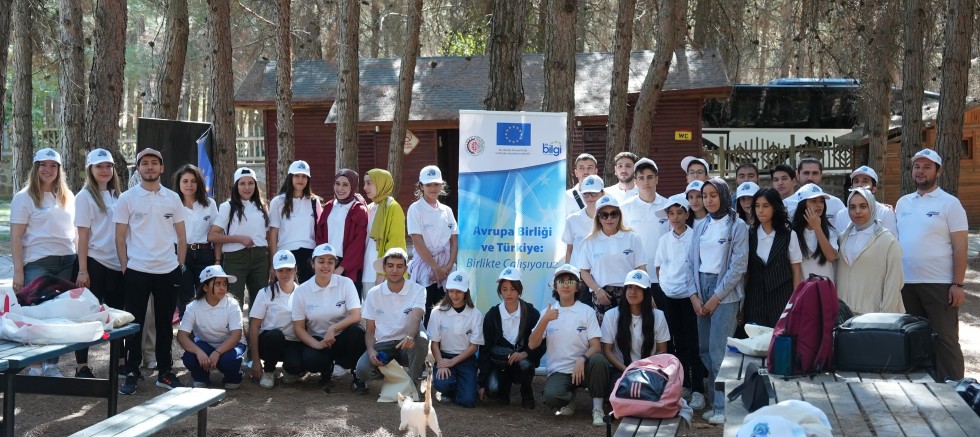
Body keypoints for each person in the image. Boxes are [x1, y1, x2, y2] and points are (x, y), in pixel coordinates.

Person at [114, 148, 187, 394]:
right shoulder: (127, 198)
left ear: (162, 168)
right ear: (138, 169)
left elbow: (181, 235)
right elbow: (120, 236)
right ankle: (132, 371)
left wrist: (180, 264)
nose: (149, 167)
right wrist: (125, 266)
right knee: (136, 323)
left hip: (167, 270)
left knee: (165, 324)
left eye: (154, 163)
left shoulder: (173, 198)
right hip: (137, 269)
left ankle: (165, 372)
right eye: (144, 163)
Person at [896, 149, 968, 381]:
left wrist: (957, 283)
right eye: (917, 166)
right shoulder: (903, 203)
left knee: (945, 338)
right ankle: (922, 384)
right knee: (914, 337)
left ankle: (954, 389)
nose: (920, 171)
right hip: (906, 283)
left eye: (927, 167)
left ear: (938, 171)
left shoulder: (950, 203)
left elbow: (960, 247)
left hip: (939, 284)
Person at [687, 177, 748, 424]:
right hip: (702, 289)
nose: (708, 200)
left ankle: (724, 408)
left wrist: (715, 297)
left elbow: (738, 267)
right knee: (705, 351)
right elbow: (690, 263)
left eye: (713, 195)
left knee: (718, 353)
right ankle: (715, 402)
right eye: (705, 196)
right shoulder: (701, 226)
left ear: (724, 195)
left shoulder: (737, 226)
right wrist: (694, 296)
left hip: (725, 294)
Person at [13, 148, 76, 378]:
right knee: (38, 314)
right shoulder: (24, 198)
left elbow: (75, 233)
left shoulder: (67, 196)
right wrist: (18, 272)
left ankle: (52, 364)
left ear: (59, 170)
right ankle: (36, 365)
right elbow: (16, 238)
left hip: (67, 261)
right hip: (38, 262)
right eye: (43, 165)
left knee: (59, 315)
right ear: (35, 168)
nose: (48, 170)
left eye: (53, 165)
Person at [529, 264, 609, 427]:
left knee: (599, 360)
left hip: (585, 367)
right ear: (555, 285)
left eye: (570, 281)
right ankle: (568, 398)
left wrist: (582, 359)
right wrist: (545, 320)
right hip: (560, 371)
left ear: (577, 286)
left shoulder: (587, 311)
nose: (566, 285)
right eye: (561, 281)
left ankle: (598, 409)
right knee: (551, 397)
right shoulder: (548, 312)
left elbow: (596, 346)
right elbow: (532, 344)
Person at [73, 148, 124, 379]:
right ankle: (82, 366)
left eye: (108, 166)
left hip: (117, 264)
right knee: (86, 315)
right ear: (90, 170)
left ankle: (120, 361)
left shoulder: (117, 196)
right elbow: (82, 236)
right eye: (99, 166)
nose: (104, 171)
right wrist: (83, 270)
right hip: (94, 263)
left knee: (118, 316)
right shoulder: (84, 197)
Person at [289, 243, 366, 389]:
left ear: (335, 264)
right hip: (318, 338)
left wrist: (333, 329)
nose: (326, 266)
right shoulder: (302, 290)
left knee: (357, 331)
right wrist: (316, 344)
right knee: (311, 361)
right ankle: (326, 369)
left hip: (342, 337)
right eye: (321, 261)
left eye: (330, 262)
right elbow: (298, 328)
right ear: (312, 264)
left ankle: (358, 377)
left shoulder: (346, 283)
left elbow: (356, 315)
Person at [654, 194, 706, 410]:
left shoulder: (696, 237)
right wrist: (666, 287)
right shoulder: (664, 240)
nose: (674, 217)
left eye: (679, 212)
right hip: (669, 297)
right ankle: (683, 385)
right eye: (670, 213)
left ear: (687, 214)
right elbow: (659, 267)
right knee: (676, 343)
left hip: (690, 297)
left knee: (694, 343)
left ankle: (698, 390)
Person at [355, 248, 429, 395]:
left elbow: (416, 316)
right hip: (384, 344)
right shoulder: (373, 293)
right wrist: (371, 350)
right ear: (384, 268)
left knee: (421, 338)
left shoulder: (419, 290)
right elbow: (370, 330)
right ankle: (400, 376)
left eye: (399, 266)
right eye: (390, 265)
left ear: (406, 269)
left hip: (408, 343)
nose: (394, 270)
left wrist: (409, 336)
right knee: (362, 371)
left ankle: (413, 383)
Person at [478, 267, 543, 409]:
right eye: (504, 289)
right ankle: (503, 389)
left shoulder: (532, 313)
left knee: (525, 365)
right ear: (499, 291)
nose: (509, 293)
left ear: (519, 290)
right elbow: (485, 348)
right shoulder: (492, 315)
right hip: (499, 363)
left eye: (513, 289)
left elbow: (541, 343)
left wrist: (525, 353)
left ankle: (526, 391)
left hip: (522, 363)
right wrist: (482, 384)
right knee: (493, 391)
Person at [578, 195, 646, 324]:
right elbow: (584, 271)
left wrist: (646, 293)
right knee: (605, 337)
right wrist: (597, 290)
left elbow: (641, 268)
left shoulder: (632, 237)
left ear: (619, 215)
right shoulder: (589, 241)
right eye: (604, 215)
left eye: (613, 214)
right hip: (602, 294)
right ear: (598, 217)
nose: (609, 218)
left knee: (628, 333)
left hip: (630, 293)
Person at [406, 165, 459, 328]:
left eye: (436, 184)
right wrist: (435, 268)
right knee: (428, 310)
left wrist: (448, 266)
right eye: (428, 184)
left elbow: (454, 240)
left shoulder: (447, 210)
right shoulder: (415, 209)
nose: (433, 188)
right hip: (426, 267)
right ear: (421, 186)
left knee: (448, 310)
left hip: (447, 267)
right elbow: (417, 241)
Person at [837, 188, 904, 314]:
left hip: (874, 316)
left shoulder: (888, 240)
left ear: (872, 207)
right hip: (843, 315)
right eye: (852, 207)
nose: (857, 211)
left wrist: (885, 317)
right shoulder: (842, 238)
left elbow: (894, 283)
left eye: (863, 206)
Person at [177, 265, 246, 389]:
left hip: (231, 344)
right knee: (189, 357)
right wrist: (199, 352)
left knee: (230, 362)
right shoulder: (193, 306)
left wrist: (217, 352)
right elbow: (182, 336)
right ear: (205, 287)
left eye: (224, 284)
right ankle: (201, 377)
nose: (222, 288)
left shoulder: (232, 304)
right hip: (205, 344)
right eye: (218, 284)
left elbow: (236, 335)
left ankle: (234, 376)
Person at [209, 167, 270, 307]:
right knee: (234, 301)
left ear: (256, 185)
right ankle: (237, 329)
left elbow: (268, 236)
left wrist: (271, 262)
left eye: (251, 183)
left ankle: (256, 329)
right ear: (236, 186)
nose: (247, 188)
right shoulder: (227, 207)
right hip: (235, 259)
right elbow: (212, 235)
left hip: (260, 258)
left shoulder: (263, 206)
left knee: (260, 301)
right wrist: (239, 238)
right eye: (242, 183)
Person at [600, 270, 670, 390]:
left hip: (650, 372)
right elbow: (607, 351)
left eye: (638, 288)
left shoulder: (658, 316)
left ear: (646, 292)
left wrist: (646, 371)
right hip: (621, 371)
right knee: (626, 389)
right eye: (629, 287)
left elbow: (662, 351)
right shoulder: (611, 315)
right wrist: (627, 370)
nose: (632, 292)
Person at [744, 188, 802, 328]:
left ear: (775, 208)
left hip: (782, 298)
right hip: (755, 299)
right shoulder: (749, 234)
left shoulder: (788, 235)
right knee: (755, 343)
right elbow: (746, 272)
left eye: (765, 206)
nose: (760, 210)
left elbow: (796, 271)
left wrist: (795, 301)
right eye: (757, 206)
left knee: (779, 341)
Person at [248, 250, 303, 388]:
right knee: (275, 335)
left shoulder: (303, 293)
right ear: (274, 271)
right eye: (280, 270)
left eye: (289, 269)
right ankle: (269, 371)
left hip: (292, 342)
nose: (285, 274)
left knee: (295, 366)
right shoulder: (265, 293)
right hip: (269, 342)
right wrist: (255, 361)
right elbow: (254, 327)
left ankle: (289, 368)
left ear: (296, 269)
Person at [429, 270, 484, 408]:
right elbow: (434, 344)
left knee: (468, 401)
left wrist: (452, 362)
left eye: (459, 291)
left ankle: (466, 385)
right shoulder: (437, 312)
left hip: (465, 358)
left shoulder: (476, 314)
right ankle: (450, 389)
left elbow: (473, 347)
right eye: (451, 291)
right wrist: (441, 363)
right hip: (444, 356)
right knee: (443, 384)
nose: (454, 295)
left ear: (466, 292)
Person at [621, 158, 669, 309]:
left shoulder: (668, 206)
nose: (646, 182)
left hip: (664, 277)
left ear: (657, 179)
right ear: (635, 181)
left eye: (649, 177)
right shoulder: (624, 208)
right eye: (641, 178)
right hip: (635, 277)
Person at [173, 164, 220, 317]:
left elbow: (217, 233)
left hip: (205, 254)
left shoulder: (209, 204)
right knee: (185, 299)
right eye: (185, 181)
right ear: (178, 184)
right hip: (181, 255)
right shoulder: (172, 205)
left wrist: (218, 260)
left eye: (193, 181)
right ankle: (187, 337)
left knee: (206, 297)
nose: (189, 185)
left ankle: (205, 336)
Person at [316, 168, 367, 291]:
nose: (340, 188)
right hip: (328, 263)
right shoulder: (329, 206)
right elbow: (320, 234)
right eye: (337, 184)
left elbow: (358, 243)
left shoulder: (358, 210)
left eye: (345, 185)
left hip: (348, 267)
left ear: (353, 186)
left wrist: (342, 267)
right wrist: (325, 262)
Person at [269, 160, 319, 284]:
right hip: (285, 254)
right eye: (296, 175)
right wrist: (273, 262)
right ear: (290, 177)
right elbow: (273, 234)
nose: (300, 179)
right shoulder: (278, 202)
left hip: (309, 255)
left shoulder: (314, 202)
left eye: (304, 176)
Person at [361, 168, 406, 292]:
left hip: (383, 274)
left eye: (369, 183)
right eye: (364, 183)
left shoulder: (392, 207)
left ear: (382, 183)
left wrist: (383, 273)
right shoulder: (369, 207)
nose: (365, 187)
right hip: (367, 271)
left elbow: (395, 243)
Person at [562, 175, 604, 307]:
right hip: (579, 277)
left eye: (594, 194)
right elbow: (569, 249)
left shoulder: (610, 218)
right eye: (586, 194)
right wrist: (567, 273)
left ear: (603, 193)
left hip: (602, 276)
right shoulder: (573, 219)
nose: (590, 198)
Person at [790, 184, 839, 280]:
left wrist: (817, 228)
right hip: (803, 290)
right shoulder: (793, 233)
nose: (819, 205)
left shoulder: (830, 231)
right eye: (813, 201)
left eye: (822, 201)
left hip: (824, 289)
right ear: (803, 204)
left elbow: (832, 257)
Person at [833, 165, 897, 233]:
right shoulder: (841, 215)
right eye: (856, 181)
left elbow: (891, 242)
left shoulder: (885, 213)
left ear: (874, 189)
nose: (859, 185)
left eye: (865, 181)